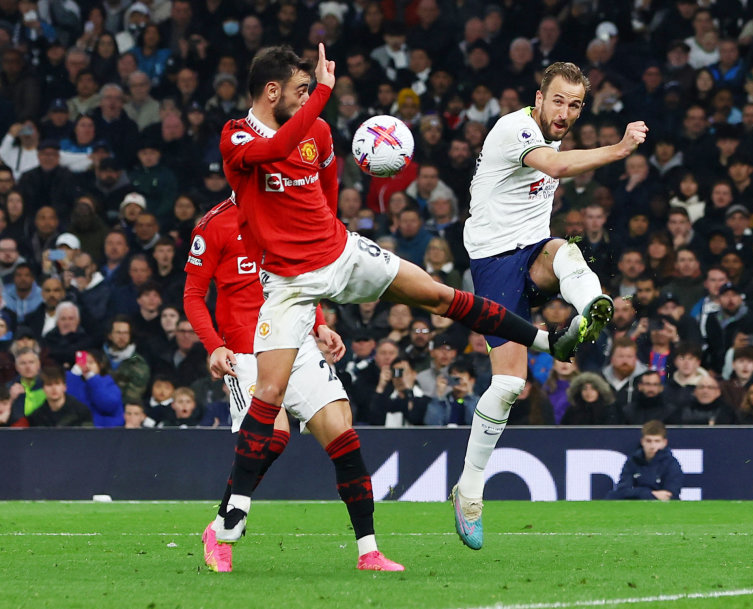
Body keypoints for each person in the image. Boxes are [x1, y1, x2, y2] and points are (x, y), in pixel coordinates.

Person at [215, 45, 584, 561]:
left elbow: (324, 192)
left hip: (339, 253)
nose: (308, 99)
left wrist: (331, 236)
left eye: (309, 92)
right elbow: (272, 151)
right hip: (288, 283)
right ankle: (234, 506)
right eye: (299, 91)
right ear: (272, 92)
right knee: (270, 391)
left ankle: (544, 340)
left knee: (438, 294)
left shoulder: (316, 132)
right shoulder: (236, 136)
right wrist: (321, 92)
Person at [452, 60, 647, 549]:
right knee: (509, 384)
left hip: (531, 250)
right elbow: (557, 167)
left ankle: (592, 304)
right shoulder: (514, 128)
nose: (564, 112)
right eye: (557, 100)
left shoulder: (552, 133)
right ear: (538, 98)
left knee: (566, 250)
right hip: (494, 262)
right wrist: (620, 149)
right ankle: (469, 489)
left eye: (575, 104)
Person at [184, 196, 387, 572]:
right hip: (246, 352)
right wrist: (214, 346)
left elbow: (302, 277)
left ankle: (368, 552)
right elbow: (193, 295)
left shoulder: (285, 210)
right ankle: (221, 527)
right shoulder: (213, 225)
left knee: (343, 433)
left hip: (298, 344)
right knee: (273, 438)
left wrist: (320, 324)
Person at [605, 420, 683, 501]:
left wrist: (637, 493)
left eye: (657, 441)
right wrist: (650, 494)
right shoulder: (633, 461)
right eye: (649, 441)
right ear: (642, 441)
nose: (652, 446)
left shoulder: (671, 464)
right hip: (635, 506)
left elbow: (670, 495)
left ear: (664, 442)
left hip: (661, 508)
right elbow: (622, 491)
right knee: (611, 496)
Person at [11, 367, 93, 428]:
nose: (54, 389)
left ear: (64, 387)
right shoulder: (37, 415)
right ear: (43, 389)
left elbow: (88, 438)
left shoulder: (81, 411)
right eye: (49, 384)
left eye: (57, 384)